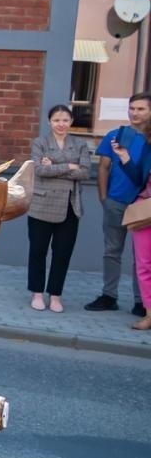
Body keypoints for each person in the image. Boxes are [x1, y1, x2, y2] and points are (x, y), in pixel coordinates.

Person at [84, 93, 151, 315]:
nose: (135, 113)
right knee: (112, 250)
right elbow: (103, 167)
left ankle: (141, 301)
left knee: (141, 257)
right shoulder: (116, 135)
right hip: (116, 201)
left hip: (143, 205)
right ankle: (109, 295)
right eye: (132, 108)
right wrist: (104, 197)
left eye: (141, 109)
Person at [26, 104, 93, 314]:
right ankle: (37, 293)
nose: (61, 124)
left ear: (71, 121)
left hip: (70, 206)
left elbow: (85, 172)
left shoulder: (80, 144)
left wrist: (54, 165)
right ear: (49, 122)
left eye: (65, 120)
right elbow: (39, 169)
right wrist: (69, 166)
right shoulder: (40, 142)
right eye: (56, 120)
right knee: (38, 251)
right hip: (42, 204)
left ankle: (55, 296)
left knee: (62, 253)